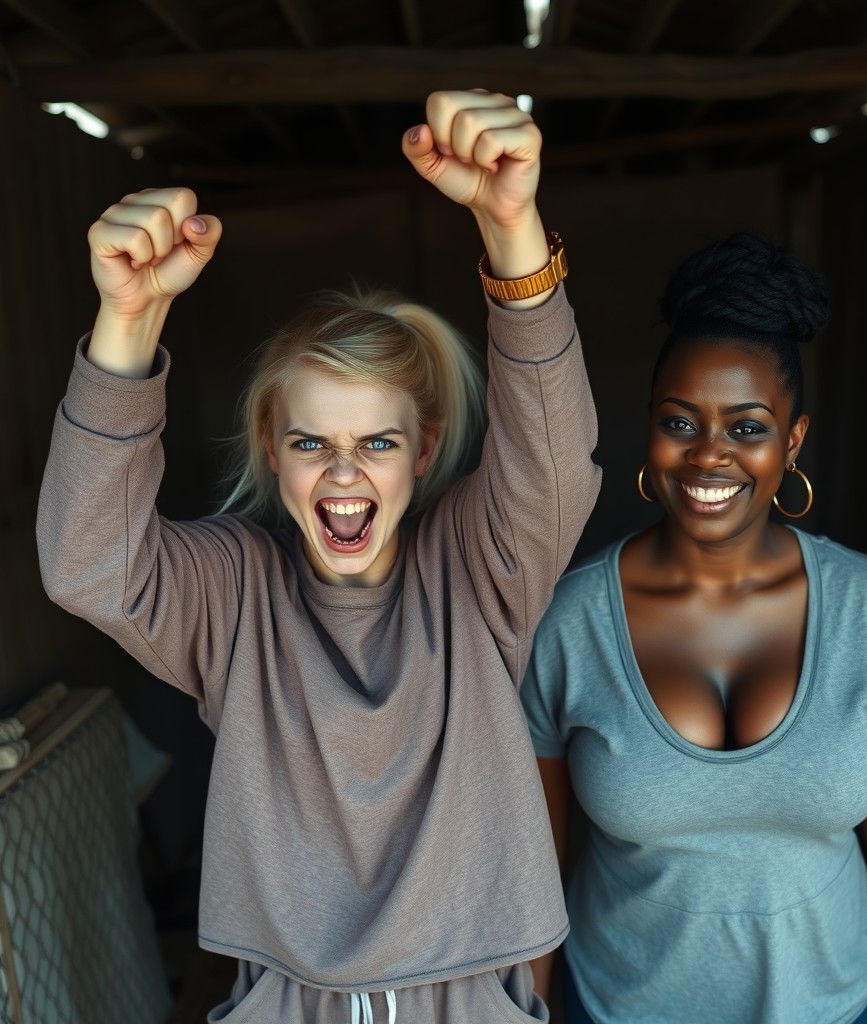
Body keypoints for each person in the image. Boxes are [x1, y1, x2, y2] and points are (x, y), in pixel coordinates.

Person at [37, 90, 601, 1023]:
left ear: (422, 454)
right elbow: (87, 563)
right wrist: (127, 322)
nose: (344, 473)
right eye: (311, 444)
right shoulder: (235, 595)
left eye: (377, 443)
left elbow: (553, 464)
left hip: (465, 999)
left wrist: (514, 231)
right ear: (272, 451)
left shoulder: (478, 572)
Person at [521, 234, 867, 1024]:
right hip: (618, 1004)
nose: (708, 455)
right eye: (680, 423)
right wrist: (532, 1010)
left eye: (747, 429)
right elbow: (536, 857)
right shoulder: (570, 621)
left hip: (831, 1003)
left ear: (792, 440)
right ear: (649, 429)